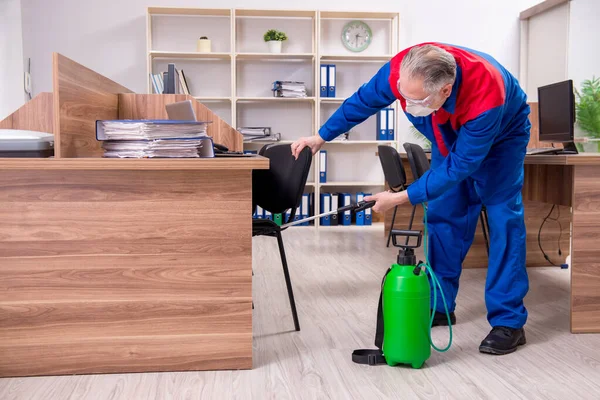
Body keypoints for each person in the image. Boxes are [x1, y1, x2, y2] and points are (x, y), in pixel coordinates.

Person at [291, 43, 530, 355]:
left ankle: (509, 322)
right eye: (401, 94)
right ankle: (440, 304)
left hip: (502, 137)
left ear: (445, 90)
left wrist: (400, 197)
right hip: (449, 129)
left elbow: (461, 166)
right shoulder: (402, 69)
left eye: (412, 100)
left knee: (503, 219)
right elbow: (363, 102)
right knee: (445, 214)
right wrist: (322, 135)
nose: (403, 102)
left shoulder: (488, 94)